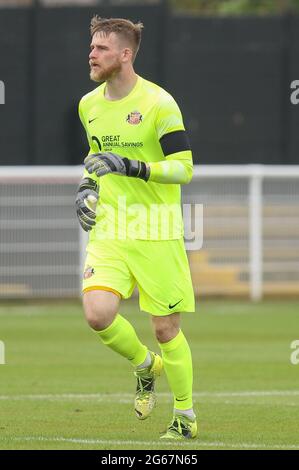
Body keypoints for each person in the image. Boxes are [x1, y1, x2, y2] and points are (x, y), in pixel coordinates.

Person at [75, 15, 197, 440]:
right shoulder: (88, 105)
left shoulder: (160, 103)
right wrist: (86, 187)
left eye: (102, 48)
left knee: (166, 328)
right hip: (110, 227)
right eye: (91, 47)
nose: (92, 54)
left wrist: (134, 166)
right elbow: (96, 158)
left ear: (125, 55)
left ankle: (185, 418)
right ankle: (145, 366)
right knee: (97, 313)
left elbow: (183, 169)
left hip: (156, 228)